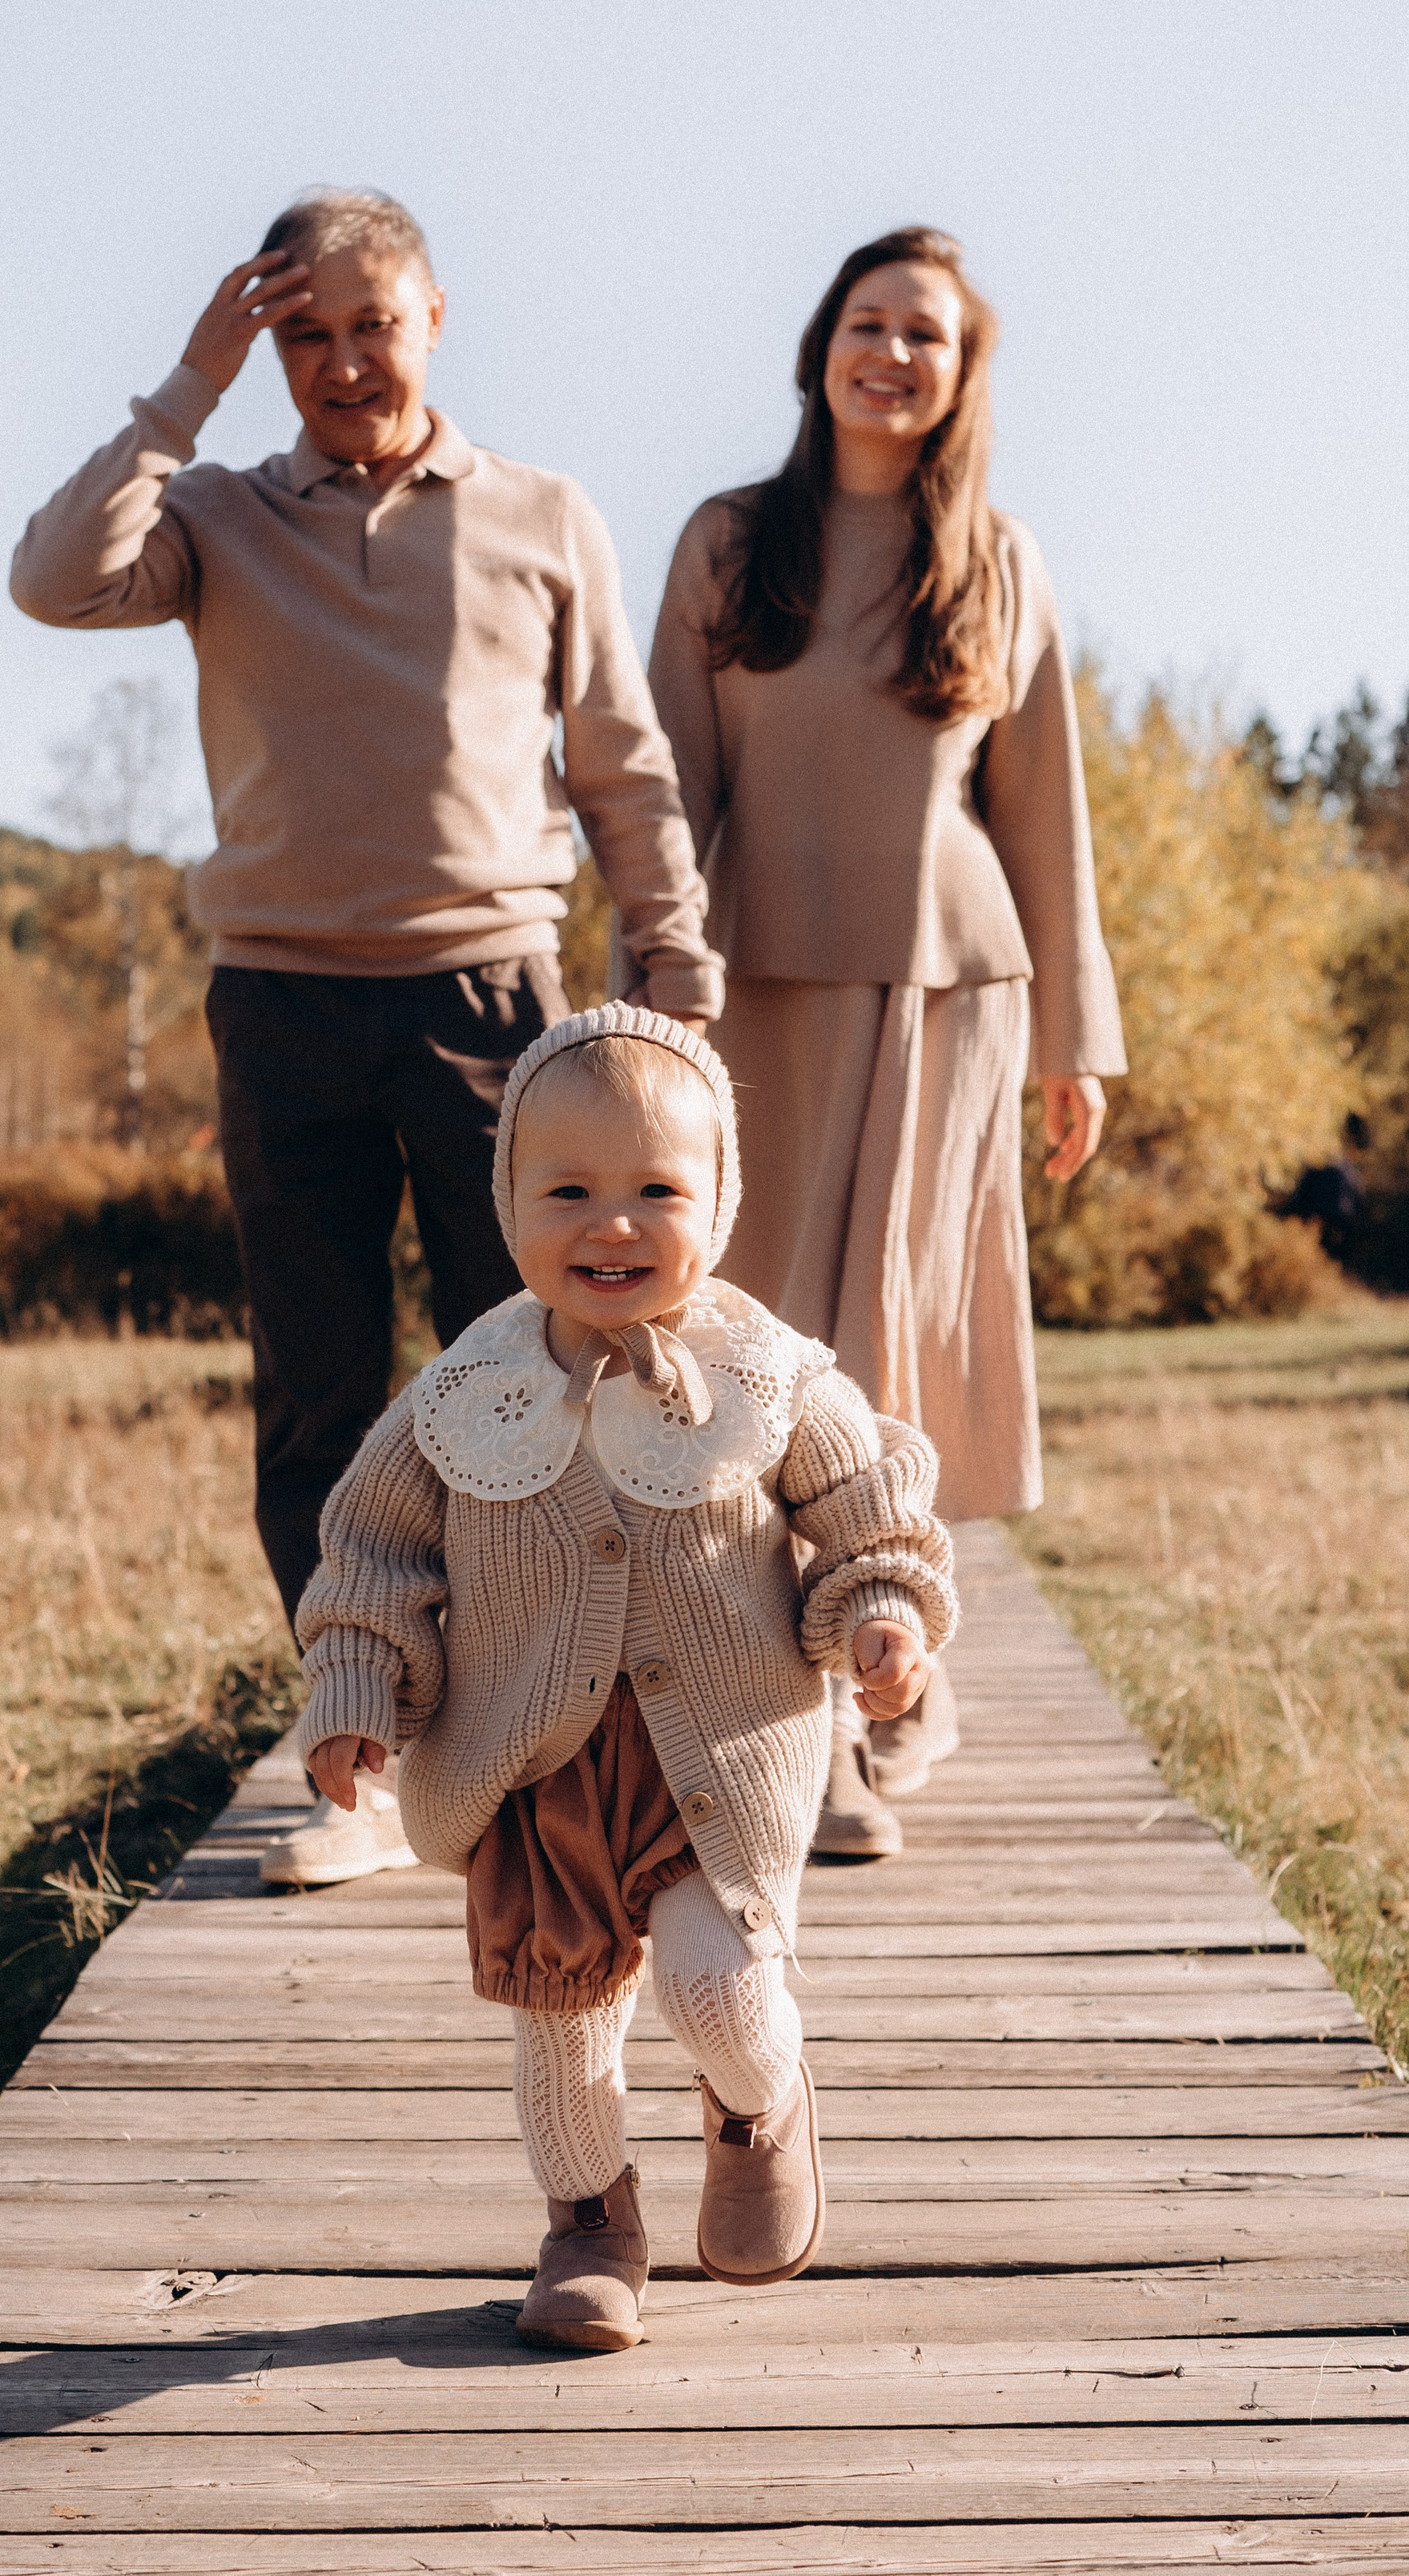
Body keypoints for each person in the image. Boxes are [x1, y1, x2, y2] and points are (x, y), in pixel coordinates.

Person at [10, 191, 723, 1888]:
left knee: (541, 1380)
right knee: (319, 1397)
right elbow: (52, 583)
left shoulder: (545, 517)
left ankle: (560, 1724)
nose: (340, 360)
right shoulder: (213, 518)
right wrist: (183, 384)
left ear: (433, 317)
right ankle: (357, 1764)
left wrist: (676, 965)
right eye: (301, 332)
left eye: (370, 323)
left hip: (491, 1002)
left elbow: (618, 764)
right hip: (280, 1004)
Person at [292, 1002, 957, 2351]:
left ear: (720, 1201)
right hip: (535, 1776)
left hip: (720, 1752)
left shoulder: (766, 1373)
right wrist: (356, 1699)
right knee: (563, 2033)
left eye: (659, 1189)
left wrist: (882, 1611)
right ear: (506, 1202)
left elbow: (870, 1502)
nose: (614, 1223)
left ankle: (760, 2103)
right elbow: (371, 1560)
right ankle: (589, 2224)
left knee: (720, 1989)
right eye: (570, 1191)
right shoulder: (460, 1395)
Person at [647, 225, 1124, 1859]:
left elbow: (1044, 817)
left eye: (925, 335)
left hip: (950, 1000)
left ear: (959, 372)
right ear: (819, 348)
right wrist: (655, 984)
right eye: (868, 324)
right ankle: (809, 1712)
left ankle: (876, 1696)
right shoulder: (726, 545)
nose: (891, 355)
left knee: (895, 1355)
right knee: (766, 1365)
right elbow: (664, 787)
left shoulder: (999, 561)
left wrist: (1079, 1039)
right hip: (751, 986)